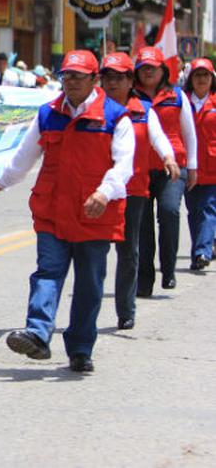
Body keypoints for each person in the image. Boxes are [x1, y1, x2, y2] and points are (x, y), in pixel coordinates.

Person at [0, 50, 133, 372]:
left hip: (94, 214)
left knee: (89, 284)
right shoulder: (47, 114)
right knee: (47, 273)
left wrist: (104, 192)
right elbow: (24, 158)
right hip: (53, 210)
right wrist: (1, 182)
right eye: (66, 76)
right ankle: (38, 334)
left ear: (95, 80)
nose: (70, 82)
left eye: (78, 77)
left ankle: (81, 348)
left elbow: (124, 166)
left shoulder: (115, 117)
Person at [99, 52, 177, 330]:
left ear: (130, 80)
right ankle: (87, 309)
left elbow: (158, 138)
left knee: (128, 251)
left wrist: (168, 158)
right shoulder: (93, 108)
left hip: (133, 190)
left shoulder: (144, 110)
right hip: (97, 191)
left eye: (119, 77)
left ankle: (126, 309)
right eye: (107, 77)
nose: (112, 83)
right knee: (94, 252)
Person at [133, 46, 197, 294]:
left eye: (153, 67)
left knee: (170, 212)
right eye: (144, 68)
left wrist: (193, 167)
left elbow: (189, 133)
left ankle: (168, 269)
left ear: (163, 70)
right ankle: (144, 279)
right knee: (143, 225)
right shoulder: (130, 97)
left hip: (174, 166)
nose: (148, 72)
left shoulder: (178, 95)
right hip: (139, 168)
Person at [185, 58, 216, 271]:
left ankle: (202, 251)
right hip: (190, 167)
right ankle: (199, 250)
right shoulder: (182, 102)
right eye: (198, 75)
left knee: (208, 209)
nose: (202, 80)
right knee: (194, 211)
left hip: (213, 166)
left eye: (205, 75)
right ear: (191, 79)